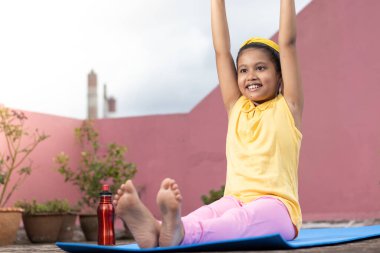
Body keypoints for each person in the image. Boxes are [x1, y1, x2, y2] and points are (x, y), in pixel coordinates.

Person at [113, 0, 303, 248]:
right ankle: (160, 229)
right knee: (208, 213)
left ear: (280, 75)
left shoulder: (288, 107)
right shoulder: (237, 107)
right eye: (243, 70)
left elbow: (287, 43)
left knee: (238, 221)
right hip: (234, 198)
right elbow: (221, 50)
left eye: (260, 68)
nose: (251, 76)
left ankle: (172, 232)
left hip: (278, 208)